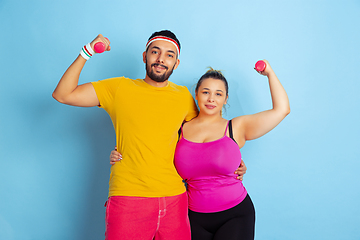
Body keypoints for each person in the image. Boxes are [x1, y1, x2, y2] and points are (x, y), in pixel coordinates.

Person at [52, 30, 247, 240]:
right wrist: (88, 51)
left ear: (176, 63)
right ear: (145, 56)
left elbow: (204, 133)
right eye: (155, 52)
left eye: (169, 55)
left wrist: (233, 161)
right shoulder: (119, 88)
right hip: (129, 197)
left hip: (176, 198)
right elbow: (63, 94)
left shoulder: (183, 97)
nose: (161, 59)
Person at [111, 62, 290, 240]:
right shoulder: (179, 130)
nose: (211, 99)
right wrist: (121, 153)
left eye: (218, 94)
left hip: (235, 215)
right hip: (193, 217)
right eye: (206, 92)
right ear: (196, 94)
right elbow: (148, 146)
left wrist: (269, 73)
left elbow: (282, 110)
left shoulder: (236, 127)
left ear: (226, 99)